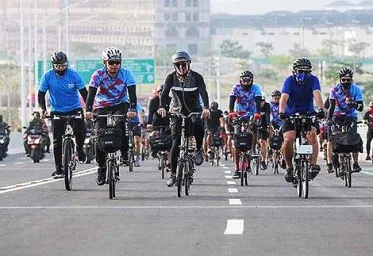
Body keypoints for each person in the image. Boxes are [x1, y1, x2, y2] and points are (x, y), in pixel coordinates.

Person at [85, 46, 137, 186]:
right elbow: (91, 94)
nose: (114, 65)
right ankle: (101, 168)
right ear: (104, 62)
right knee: (99, 135)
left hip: (120, 105)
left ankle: (125, 153)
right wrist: (88, 110)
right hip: (101, 106)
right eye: (111, 62)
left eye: (117, 62)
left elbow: (132, 95)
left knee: (121, 124)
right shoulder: (97, 75)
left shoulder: (127, 74)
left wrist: (133, 109)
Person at [157, 50, 210, 187]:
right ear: (174, 66)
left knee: (198, 124)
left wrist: (206, 108)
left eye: (184, 64)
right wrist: (162, 106)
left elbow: (203, 92)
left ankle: (198, 149)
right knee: (175, 142)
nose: (181, 67)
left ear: (189, 64)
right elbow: (164, 94)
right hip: (177, 111)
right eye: (178, 65)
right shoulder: (170, 78)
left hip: (194, 110)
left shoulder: (197, 77)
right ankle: (174, 174)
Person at [38, 51, 88, 178]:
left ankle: (80, 149)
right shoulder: (47, 76)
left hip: (74, 108)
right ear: (53, 65)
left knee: (80, 130)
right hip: (57, 110)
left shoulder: (74, 75)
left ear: (67, 64)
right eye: (58, 66)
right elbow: (41, 94)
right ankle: (59, 168)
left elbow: (84, 93)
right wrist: (43, 109)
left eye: (63, 65)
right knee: (56, 140)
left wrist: (88, 109)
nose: (61, 68)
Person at [279, 57, 325, 182]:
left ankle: (312, 165)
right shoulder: (289, 81)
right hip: (290, 115)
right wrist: (281, 112)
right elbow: (284, 97)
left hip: (308, 113)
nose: (303, 74)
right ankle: (289, 167)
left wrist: (321, 109)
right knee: (288, 139)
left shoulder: (313, 79)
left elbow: (317, 94)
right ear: (294, 71)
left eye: (306, 72)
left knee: (312, 134)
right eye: (300, 71)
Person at [326, 68, 364, 173]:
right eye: (344, 80)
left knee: (354, 138)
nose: (346, 82)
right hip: (337, 115)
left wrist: (353, 103)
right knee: (331, 138)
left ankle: (355, 163)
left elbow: (361, 107)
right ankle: (330, 162)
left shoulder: (356, 90)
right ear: (340, 80)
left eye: (348, 80)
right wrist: (329, 119)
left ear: (351, 80)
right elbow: (331, 106)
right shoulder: (334, 90)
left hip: (351, 115)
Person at [229, 70, 262, 179]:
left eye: (248, 81)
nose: (246, 83)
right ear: (241, 80)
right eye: (244, 80)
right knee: (237, 143)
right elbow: (232, 101)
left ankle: (251, 150)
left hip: (252, 114)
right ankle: (236, 169)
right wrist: (231, 112)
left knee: (252, 131)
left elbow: (258, 101)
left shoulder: (256, 88)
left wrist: (257, 113)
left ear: (252, 81)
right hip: (239, 114)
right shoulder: (236, 88)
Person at [258, 93, 271, 170]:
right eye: (259, 101)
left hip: (264, 125)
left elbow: (267, 115)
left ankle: (263, 161)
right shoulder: (253, 105)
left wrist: (268, 124)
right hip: (254, 125)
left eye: (262, 101)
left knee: (263, 142)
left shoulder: (267, 105)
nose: (261, 103)